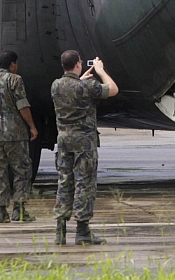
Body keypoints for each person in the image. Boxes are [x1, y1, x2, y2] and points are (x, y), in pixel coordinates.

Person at [51, 51, 118, 246]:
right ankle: (82, 231)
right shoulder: (87, 86)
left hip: (64, 141)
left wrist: (80, 79)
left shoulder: (56, 86)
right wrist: (100, 70)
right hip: (83, 143)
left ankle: (60, 231)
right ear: (78, 64)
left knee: (64, 182)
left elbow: (70, 89)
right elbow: (113, 89)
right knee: (84, 185)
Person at [0, 50, 39, 224]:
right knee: (22, 170)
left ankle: (1, 211)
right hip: (15, 134)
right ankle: (19, 210)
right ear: (12, 64)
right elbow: (22, 106)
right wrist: (32, 126)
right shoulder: (15, 80)